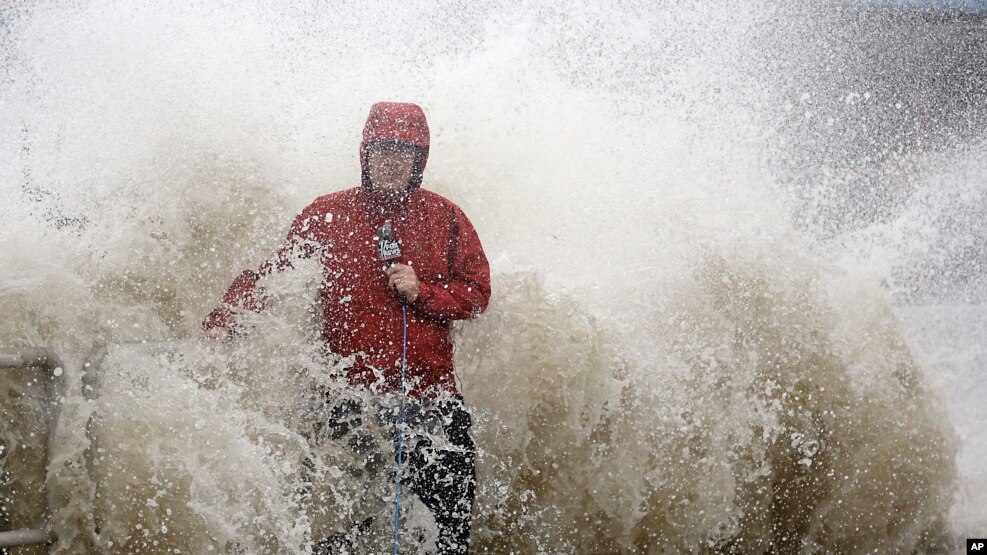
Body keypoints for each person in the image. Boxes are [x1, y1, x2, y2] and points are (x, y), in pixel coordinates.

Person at [202, 102, 491, 554]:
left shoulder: (445, 217)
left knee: (449, 534)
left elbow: (477, 294)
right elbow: (277, 274)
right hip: (349, 403)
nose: (392, 161)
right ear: (365, 154)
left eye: (404, 152)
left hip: (431, 401)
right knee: (338, 534)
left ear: (420, 160)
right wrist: (225, 318)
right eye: (383, 150)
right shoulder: (327, 214)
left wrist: (424, 291)